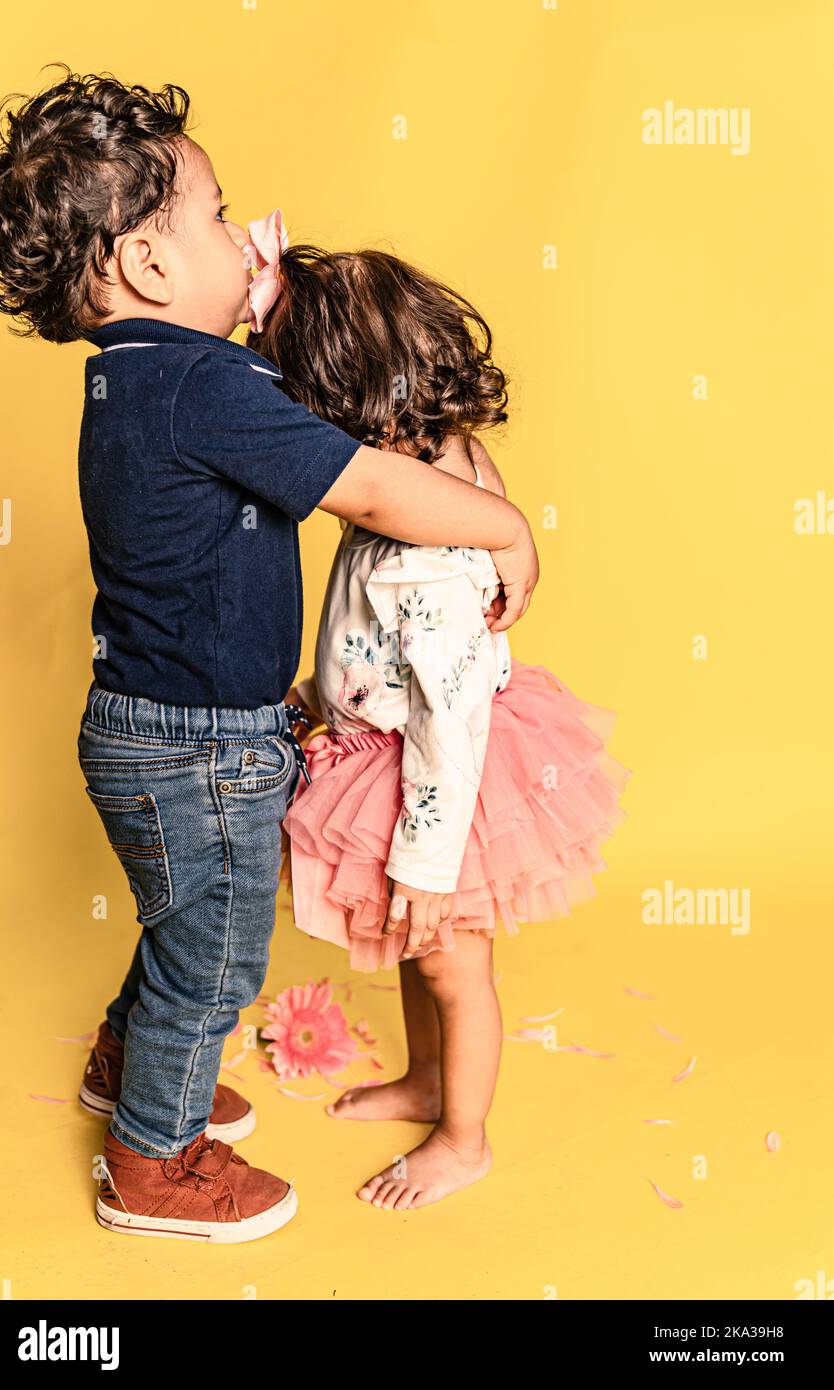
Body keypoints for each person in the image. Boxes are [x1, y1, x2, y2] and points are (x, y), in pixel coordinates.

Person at [0, 70, 538, 1242]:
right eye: (221, 217)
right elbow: (373, 480)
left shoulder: (138, 379)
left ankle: (126, 1070)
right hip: (199, 752)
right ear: (150, 267)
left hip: (152, 729)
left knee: (180, 924)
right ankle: (154, 1159)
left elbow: (325, 402)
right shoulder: (206, 385)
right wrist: (507, 525)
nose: (246, 236)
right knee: (213, 964)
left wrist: (273, 294)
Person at [248, 242, 631, 1211]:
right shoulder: (430, 470)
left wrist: (425, 857)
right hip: (395, 747)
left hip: (439, 782)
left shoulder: (426, 556)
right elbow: (368, 638)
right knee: (422, 952)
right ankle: (426, 1082)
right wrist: (321, 695)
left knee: (454, 965)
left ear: (360, 423)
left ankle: (463, 1137)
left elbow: (450, 720)